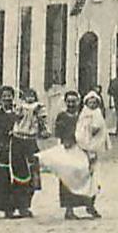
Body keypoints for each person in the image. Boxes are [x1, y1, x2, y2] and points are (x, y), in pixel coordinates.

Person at [0, 85, 44, 219]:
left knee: (26, 178)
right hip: (8, 150)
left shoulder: (20, 111)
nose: (7, 99)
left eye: (9, 96)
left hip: (25, 147)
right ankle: (8, 208)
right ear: (0, 100)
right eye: (4, 97)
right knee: (6, 180)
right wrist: (6, 143)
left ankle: (24, 207)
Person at [45, 90, 100, 220]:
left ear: (79, 102)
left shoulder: (84, 115)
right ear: (65, 102)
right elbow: (58, 132)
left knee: (89, 178)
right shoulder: (62, 117)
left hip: (83, 149)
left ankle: (90, 206)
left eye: (74, 101)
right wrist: (66, 141)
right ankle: (69, 209)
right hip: (68, 150)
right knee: (68, 179)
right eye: (69, 101)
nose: (71, 104)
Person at [75, 90, 111, 217]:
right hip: (83, 148)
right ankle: (80, 204)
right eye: (90, 101)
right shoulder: (84, 114)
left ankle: (91, 204)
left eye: (95, 102)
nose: (92, 104)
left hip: (93, 149)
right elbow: (80, 130)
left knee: (94, 179)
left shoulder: (97, 113)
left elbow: (100, 129)